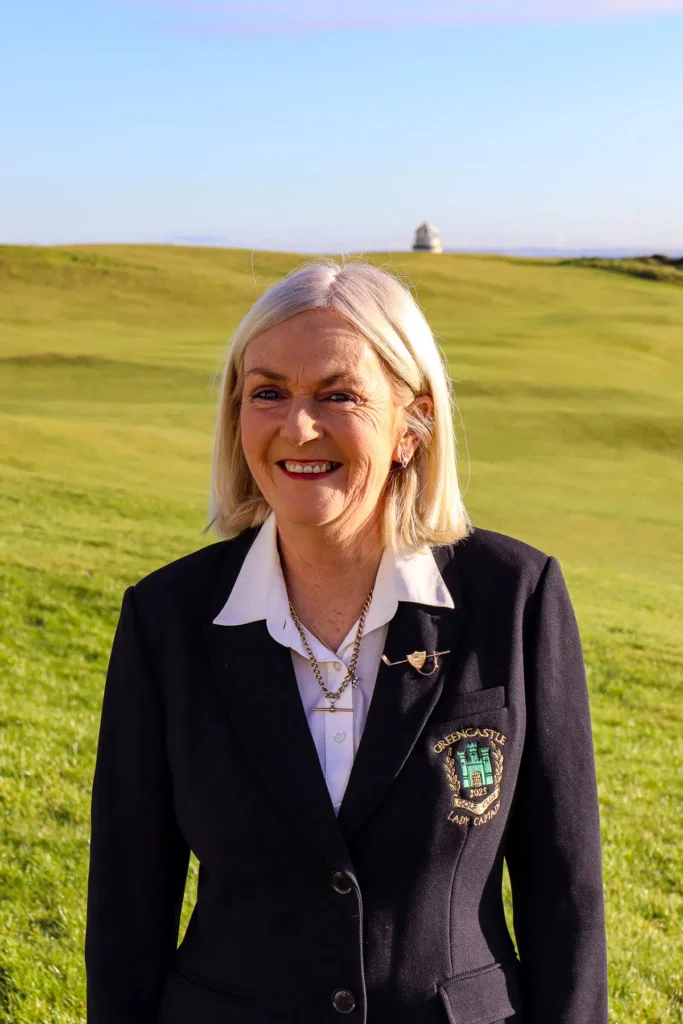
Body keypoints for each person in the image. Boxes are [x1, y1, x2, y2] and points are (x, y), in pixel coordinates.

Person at [85, 259, 608, 1024]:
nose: (298, 427)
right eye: (268, 393)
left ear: (412, 423)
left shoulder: (515, 597)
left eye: (338, 395)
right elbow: (128, 907)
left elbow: (564, 896)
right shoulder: (165, 618)